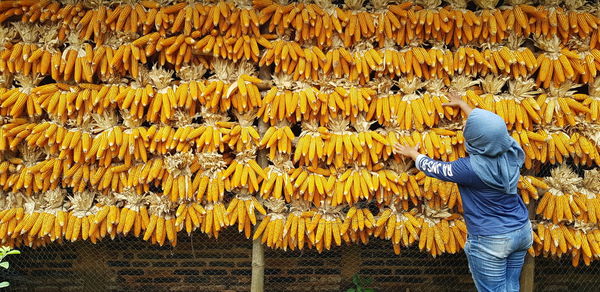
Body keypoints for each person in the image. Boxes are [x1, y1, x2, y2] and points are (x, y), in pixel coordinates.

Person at [393, 91, 532, 292]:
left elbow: (436, 169)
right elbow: (492, 131)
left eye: (469, 127)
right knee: (511, 286)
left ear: (476, 140)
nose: (464, 125)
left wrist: (413, 154)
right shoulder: (512, 150)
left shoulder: (469, 169)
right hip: (521, 231)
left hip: (492, 240)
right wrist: (463, 105)